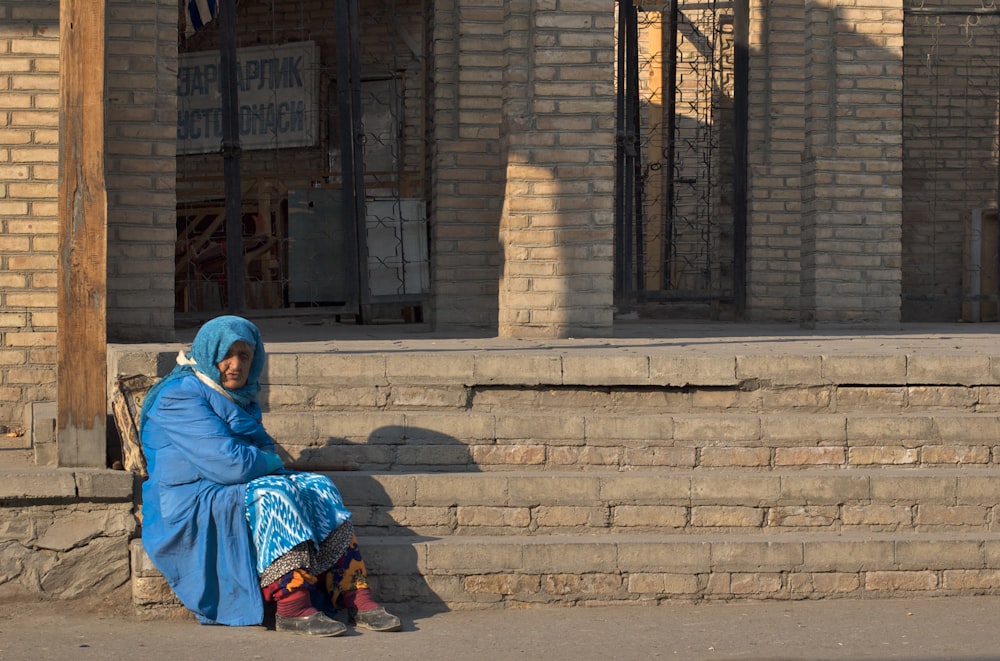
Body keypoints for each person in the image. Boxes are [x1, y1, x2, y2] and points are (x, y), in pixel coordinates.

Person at [139, 314, 400, 636]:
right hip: (189, 497)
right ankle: (292, 605)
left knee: (319, 485)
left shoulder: (238, 397)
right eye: (226, 354)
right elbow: (229, 464)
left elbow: (256, 456)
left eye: (245, 355)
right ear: (209, 353)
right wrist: (270, 462)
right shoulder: (179, 394)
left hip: (230, 486)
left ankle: (354, 594)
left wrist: (268, 462)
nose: (235, 365)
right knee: (274, 492)